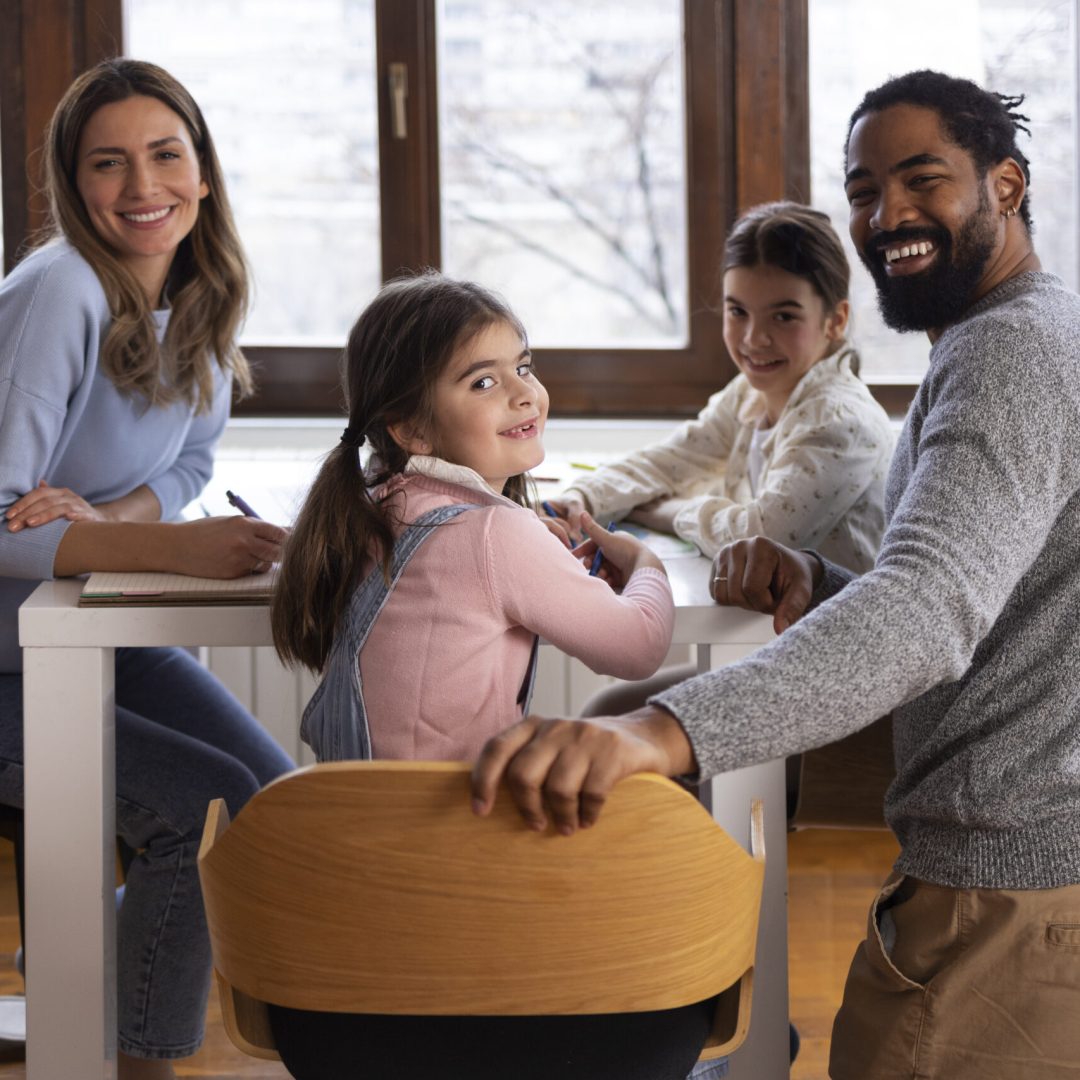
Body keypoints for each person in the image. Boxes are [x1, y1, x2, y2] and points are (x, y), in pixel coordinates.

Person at [471, 69, 1080, 1080]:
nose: (887, 214)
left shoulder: (1008, 354)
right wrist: (819, 579)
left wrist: (654, 735)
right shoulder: (1014, 334)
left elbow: (928, 612)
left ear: (1006, 187)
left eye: (922, 178)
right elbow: (998, 606)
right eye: (864, 190)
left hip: (1007, 896)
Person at [0, 59, 294, 1080]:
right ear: (72, 187)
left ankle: (85, 975)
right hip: (4, 657)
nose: (141, 186)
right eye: (108, 164)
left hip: (79, 631)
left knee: (271, 799)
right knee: (202, 810)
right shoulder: (62, 291)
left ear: (203, 172)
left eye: (166, 154)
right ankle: (137, 1064)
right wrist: (164, 546)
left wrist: (117, 513)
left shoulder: (201, 293)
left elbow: (188, 462)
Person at [271, 272, 675, 767]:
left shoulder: (375, 503)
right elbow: (638, 649)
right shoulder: (493, 535)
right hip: (452, 831)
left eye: (523, 367)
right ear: (412, 430)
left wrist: (528, 546)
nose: (523, 394)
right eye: (483, 382)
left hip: (357, 822)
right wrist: (645, 564)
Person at [547, 201, 893, 573]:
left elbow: (763, 539)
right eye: (737, 312)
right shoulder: (751, 392)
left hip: (842, 622)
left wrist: (672, 513)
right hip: (764, 619)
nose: (754, 339)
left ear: (835, 321)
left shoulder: (840, 422)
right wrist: (582, 498)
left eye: (783, 316)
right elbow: (672, 460)